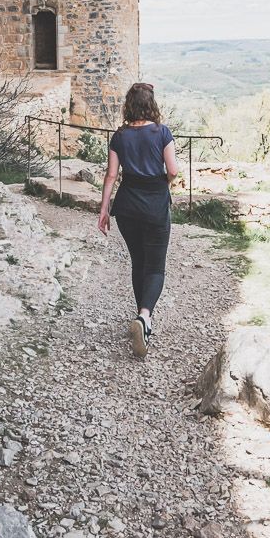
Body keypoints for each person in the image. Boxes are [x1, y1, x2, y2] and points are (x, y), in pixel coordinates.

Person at [97, 82, 179, 357]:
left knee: (138, 262)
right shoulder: (162, 132)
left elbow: (111, 175)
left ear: (129, 106)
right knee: (155, 267)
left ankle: (141, 320)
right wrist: (161, 184)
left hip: (127, 206)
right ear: (151, 104)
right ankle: (144, 317)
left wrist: (104, 209)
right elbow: (173, 171)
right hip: (155, 205)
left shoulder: (119, 136)